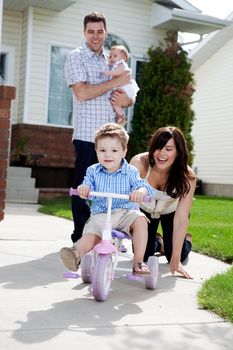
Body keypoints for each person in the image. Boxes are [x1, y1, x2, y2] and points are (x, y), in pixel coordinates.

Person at [64, 12, 134, 246]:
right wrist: (115, 82)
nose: (96, 36)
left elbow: (129, 95)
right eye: (91, 31)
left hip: (114, 138)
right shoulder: (76, 57)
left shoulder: (112, 59)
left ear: (105, 32)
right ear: (84, 32)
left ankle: (105, 238)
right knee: (84, 188)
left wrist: (125, 101)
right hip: (87, 136)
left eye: (100, 31)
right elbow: (82, 92)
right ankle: (81, 239)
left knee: (112, 190)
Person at [60, 123, 158, 275]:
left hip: (126, 213)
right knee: (91, 234)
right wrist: (83, 189)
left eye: (114, 150)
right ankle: (75, 254)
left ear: (124, 151)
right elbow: (85, 185)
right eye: (102, 150)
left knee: (141, 220)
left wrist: (140, 191)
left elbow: (143, 186)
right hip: (101, 214)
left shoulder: (130, 171)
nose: (108, 155)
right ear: (96, 151)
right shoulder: (93, 170)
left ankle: (138, 262)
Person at [130, 126, 197, 279]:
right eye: (158, 147)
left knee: (176, 254)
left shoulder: (188, 177)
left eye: (168, 149)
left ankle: (186, 241)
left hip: (170, 212)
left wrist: (175, 259)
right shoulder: (139, 163)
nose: (161, 153)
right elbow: (127, 203)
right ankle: (158, 242)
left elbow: (181, 219)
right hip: (145, 210)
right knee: (144, 255)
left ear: (178, 151)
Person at [104, 45, 140, 123]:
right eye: (110, 56)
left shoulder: (121, 64)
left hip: (125, 87)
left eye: (115, 56)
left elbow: (119, 72)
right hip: (121, 87)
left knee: (114, 101)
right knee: (114, 103)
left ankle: (121, 116)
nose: (112, 58)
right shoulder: (114, 65)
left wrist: (109, 73)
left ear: (123, 58)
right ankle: (121, 116)